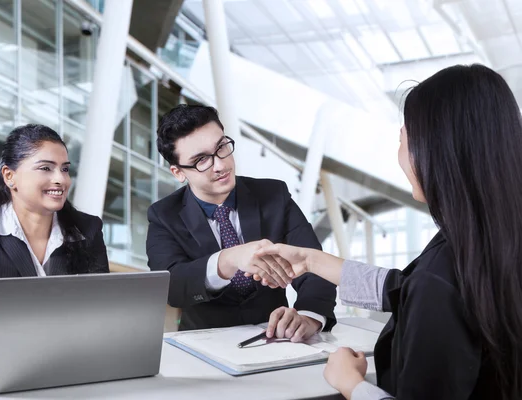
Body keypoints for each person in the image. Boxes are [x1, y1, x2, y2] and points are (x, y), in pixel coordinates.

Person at [257, 64, 521, 399]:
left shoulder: (442, 276)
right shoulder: (492, 239)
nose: (399, 154)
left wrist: (350, 382)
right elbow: (405, 288)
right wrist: (310, 260)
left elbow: (427, 291)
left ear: (434, 151)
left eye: (403, 139)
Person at [146, 105, 337, 341]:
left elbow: (313, 263)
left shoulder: (274, 196)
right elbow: (172, 287)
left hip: (278, 340)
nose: (220, 165)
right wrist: (230, 259)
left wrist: (308, 316)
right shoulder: (164, 215)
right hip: (205, 346)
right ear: (178, 172)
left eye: (221, 148)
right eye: (201, 160)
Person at [0, 124, 109, 358]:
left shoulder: (87, 229)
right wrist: (6, 344)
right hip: (3, 364)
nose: (61, 179)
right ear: (10, 176)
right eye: (46, 168)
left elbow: (102, 311)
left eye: (65, 169)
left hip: (74, 360)